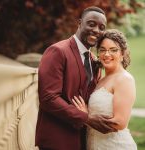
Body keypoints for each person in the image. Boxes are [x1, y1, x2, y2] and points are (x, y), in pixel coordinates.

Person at [35, 6, 117, 150]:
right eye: (91, 24)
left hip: (83, 140)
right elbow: (48, 98)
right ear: (79, 23)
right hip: (57, 140)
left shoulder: (93, 60)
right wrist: (86, 118)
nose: (97, 30)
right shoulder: (57, 51)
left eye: (101, 27)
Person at [72, 29, 137, 150]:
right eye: (102, 50)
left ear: (122, 54)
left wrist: (85, 116)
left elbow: (119, 123)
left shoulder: (124, 79)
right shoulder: (100, 80)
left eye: (113, 50)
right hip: (94, 144)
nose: (107, 54)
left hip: (115, 146)